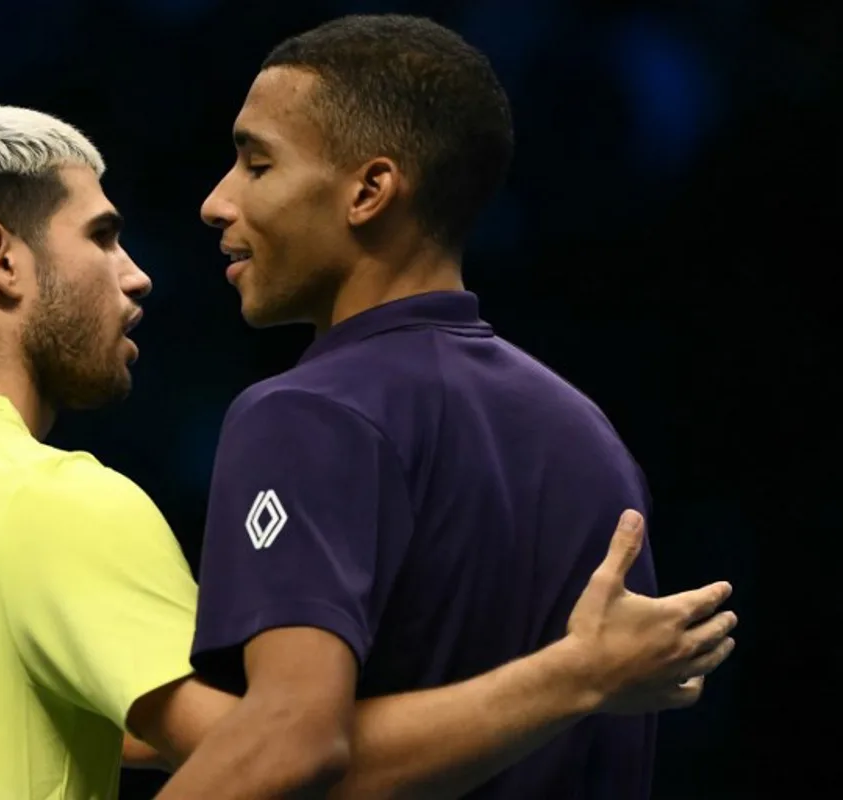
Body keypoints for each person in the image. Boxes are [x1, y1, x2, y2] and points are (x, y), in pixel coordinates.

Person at [0, 100, 733, 800]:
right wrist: (571, 676)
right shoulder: (58, 504)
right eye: (100, 235)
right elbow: (285, 750)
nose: (136, 275)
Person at [151, 13, 720, 800]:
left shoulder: (306, 413)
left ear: (369, 190)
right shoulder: (592, 436)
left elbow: (287, 743)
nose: (217, 202)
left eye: (256, 164)